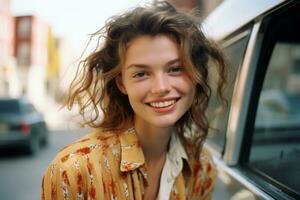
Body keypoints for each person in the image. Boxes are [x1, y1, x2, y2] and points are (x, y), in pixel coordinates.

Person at [41, 1, 227, 200]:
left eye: (175, 69)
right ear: (122, 84)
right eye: (141, 74)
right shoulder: (74, 170)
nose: (161, 87)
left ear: (195, 74)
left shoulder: (201, 165)